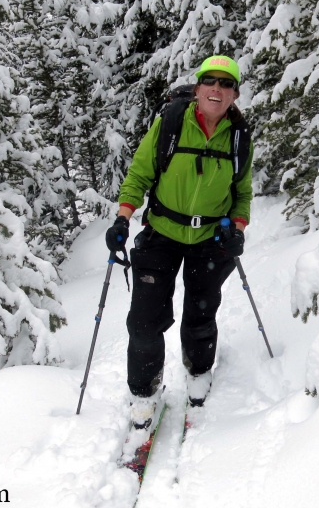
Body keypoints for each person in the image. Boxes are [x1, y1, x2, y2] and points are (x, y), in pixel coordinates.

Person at [105, 55, 253, 428]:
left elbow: (242, 192)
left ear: (234, 93)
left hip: (210, 238)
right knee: (144, 322)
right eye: (210, 81)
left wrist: (237, 229)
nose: (216, 89)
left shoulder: (238, 137)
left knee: (201, 315)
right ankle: (144, 392)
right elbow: (139, 174)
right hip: (162, 233)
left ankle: (199, 371)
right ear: (198, 87)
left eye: (225, 83)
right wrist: (123, 218)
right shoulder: (171, 123)